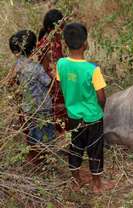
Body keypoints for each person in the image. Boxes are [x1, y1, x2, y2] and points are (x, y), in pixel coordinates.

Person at [56, 23, 110, 193]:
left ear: (66, 43)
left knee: (75, 147)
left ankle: (75, 180)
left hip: (73, 116)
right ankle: (96, 184)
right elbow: (101, 97)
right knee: (95, 149)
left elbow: (60, 85)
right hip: (92, 117)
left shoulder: (61, 64)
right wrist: (100, 110)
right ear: (86, 43)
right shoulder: (93, 70)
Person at [9, 30, 55, 163]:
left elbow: (13, 83)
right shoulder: (36, 68)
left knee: (33, 133)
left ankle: (33, 156)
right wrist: (48, 67)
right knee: (46, 134)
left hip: (28, 107)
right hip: (42, 106)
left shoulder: (17, 66)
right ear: (34, 48)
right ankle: (45, 159)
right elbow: (48, 83)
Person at [37, 9, 67, 133]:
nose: (63, 31)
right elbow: (44, 68)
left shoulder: (53, 40)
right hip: (52, 84)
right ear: (51, 28)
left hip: (54, 81)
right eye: (61, 28)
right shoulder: (47, 45)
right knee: (59, 111)